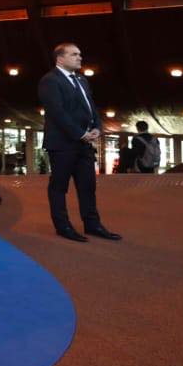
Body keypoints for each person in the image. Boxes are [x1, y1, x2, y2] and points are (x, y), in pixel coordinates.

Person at [39, 42, 121, 243]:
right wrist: (80, 134)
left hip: (84, 145)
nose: (80, 57)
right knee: (59, 187)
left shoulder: (82, 80)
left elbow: (91, 107)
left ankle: (92, 225)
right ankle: (63, 226)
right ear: (60, 59)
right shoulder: (50, 80)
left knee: (87, 186)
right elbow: (57, 113)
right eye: (74, 54)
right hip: (62, 145)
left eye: (80, 54)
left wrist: (98, 127)